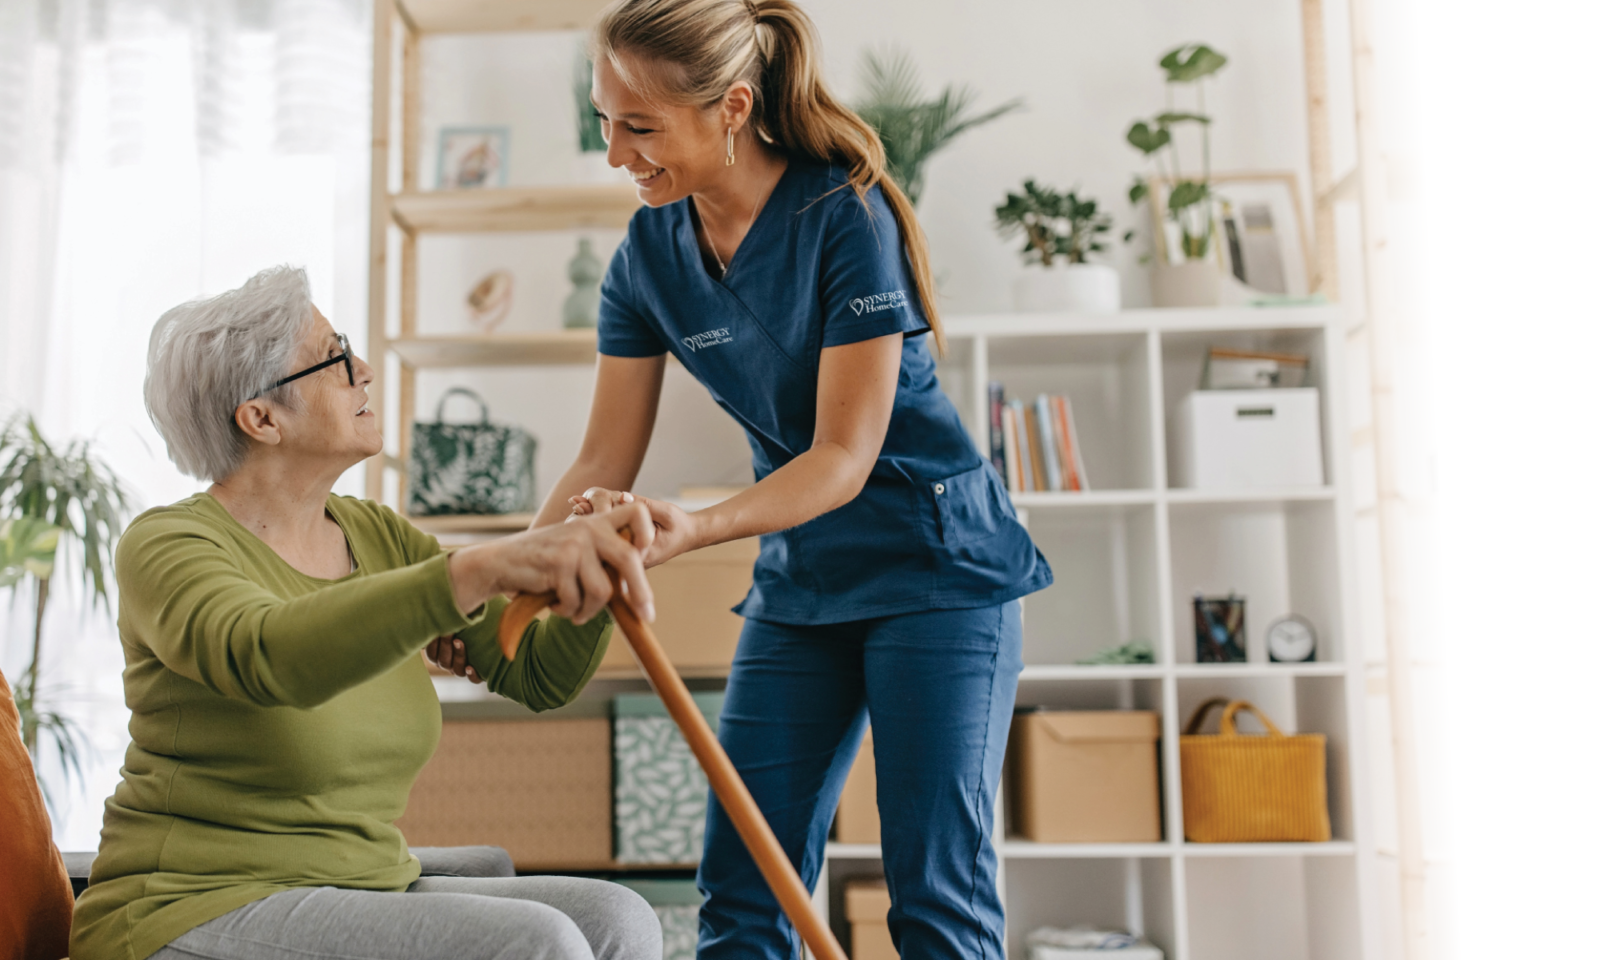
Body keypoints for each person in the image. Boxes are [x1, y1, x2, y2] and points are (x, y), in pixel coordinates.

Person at [522, 2, 1053, 957]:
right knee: (743, 892)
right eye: (605, 121)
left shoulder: (843, 215)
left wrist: (693, 526)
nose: (615, 154)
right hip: (806, 580)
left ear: (731, 107)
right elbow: (602, 463)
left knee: (934, 895)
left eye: (639, 127)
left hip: (940, 573)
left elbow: (843, 459)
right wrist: (499, 591)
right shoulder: (648, 259)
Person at [69, 266, 662, 960]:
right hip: (190, 905)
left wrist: (605, 563)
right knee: (541, 943)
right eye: (335, 357)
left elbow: (535, 675)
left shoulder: (378, 539)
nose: (367, 370)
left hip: (358, 886)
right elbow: (267, 654)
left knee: (618, 917)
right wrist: (474, 569)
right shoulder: (169, 546)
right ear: (261, 418)